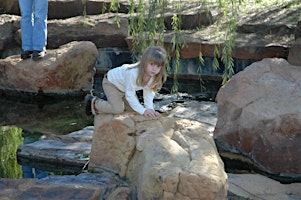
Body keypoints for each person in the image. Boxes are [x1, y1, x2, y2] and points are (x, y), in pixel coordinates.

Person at [85, 46, 168, 118]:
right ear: (144, 62)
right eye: (152, 64)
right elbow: (130, 95)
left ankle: (111, 101)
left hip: (124, 88)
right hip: (111, 83)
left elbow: (148, 93)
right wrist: (143, 111)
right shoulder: (134, 73)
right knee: (118, 109)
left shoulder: (152, 76)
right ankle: (93, 102)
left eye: (158, 66)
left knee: (133, 110)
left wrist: (149, 109)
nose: (154, 69)